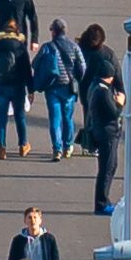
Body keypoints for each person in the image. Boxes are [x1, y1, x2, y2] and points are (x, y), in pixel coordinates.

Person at [81, 44, 123, 215]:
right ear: (110, 77)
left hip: (101, 131)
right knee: (107, 168)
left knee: (109, 167)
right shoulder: (103, 92)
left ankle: (103, 200)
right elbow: (113, 113)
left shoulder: (94, 87)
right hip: (107, 133)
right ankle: (101, 203)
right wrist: (119, 103)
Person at [32, 20, 83, 160]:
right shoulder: (74, 47)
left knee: (55, 119)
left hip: (52, 88)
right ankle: (68, 146)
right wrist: (77, 80)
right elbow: (82, 67)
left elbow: (34, 63)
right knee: (68, 118)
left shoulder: (47, 47)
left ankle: (57, 149)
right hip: (69, 88)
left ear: (53, 31)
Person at [0, 27, 32, 157]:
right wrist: (31, 89)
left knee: (2, 117)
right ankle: (23, 145)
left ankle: (2, 148)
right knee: (20, 116)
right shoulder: (20, 47)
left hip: (1, 86)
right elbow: (26, 69)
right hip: (18, 86)